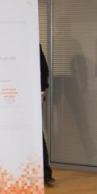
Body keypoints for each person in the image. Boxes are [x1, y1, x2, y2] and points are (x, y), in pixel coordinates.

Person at [40, 45, 55, 186]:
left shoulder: (31, 42)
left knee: (36, 134)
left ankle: (45, 174)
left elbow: (43, 69)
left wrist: (41, 91)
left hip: (29, 96)